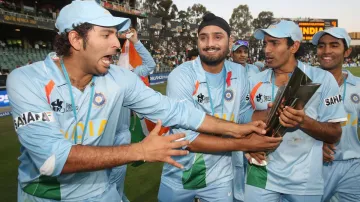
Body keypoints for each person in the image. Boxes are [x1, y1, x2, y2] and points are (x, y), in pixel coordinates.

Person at [7, 1, 275, 201]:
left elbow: (175, 111)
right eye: (107, 35)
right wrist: (141, 150)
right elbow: (52, 160)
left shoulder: (120, 79)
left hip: (101, 193)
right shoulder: (26, 80)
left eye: (117, 35)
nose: (118, 43)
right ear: (76, 39)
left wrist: (239, 129)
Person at [158, 13, 282, 202]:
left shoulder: (239, 73)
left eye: (217, 36)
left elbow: (242, 113)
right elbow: (187, 138)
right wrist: (246, 144)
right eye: (203, 37)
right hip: (181, 172)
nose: (209, 43)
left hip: (220, 176)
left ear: (229, 41)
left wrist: (270, 114)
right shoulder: (182, 75)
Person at [244, 20, 347, 202]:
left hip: (305, 180)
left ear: (294, 46)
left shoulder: (322, 79)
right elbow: (239, 122)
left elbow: (334, 134)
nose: (267, 49)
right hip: (260, 173)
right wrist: (250, 142)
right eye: (265, 43)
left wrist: (303, 121)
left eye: (274, 43)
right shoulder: (254, 81)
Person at [312, 27, 360, 202]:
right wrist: (315, 147)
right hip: (314, 166)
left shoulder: (358, 86)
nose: (326, 51)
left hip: (352, 165)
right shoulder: (305, 85)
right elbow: (293, 127)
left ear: (347, 52)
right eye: (322, 46)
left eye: (334, 45)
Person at [109, 28, 156, 201]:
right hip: (97, 140)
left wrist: (136, 42)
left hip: (121, 139)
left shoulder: (128, 74)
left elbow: (150, 65)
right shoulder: (95, 76)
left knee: (114, 187)